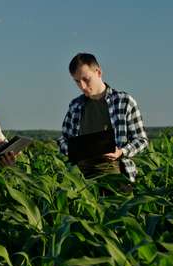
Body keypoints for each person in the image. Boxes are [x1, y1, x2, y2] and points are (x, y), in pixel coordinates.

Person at [57, 53, 148, 189]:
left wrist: (121, 152)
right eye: (77, 81)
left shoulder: (124, 102)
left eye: (86, 79)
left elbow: (141, 140)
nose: (82, 86)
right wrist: (74, 151)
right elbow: (63, 140)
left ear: (98, 72)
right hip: (83, 180)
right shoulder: (75, 106)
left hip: (118, 175)